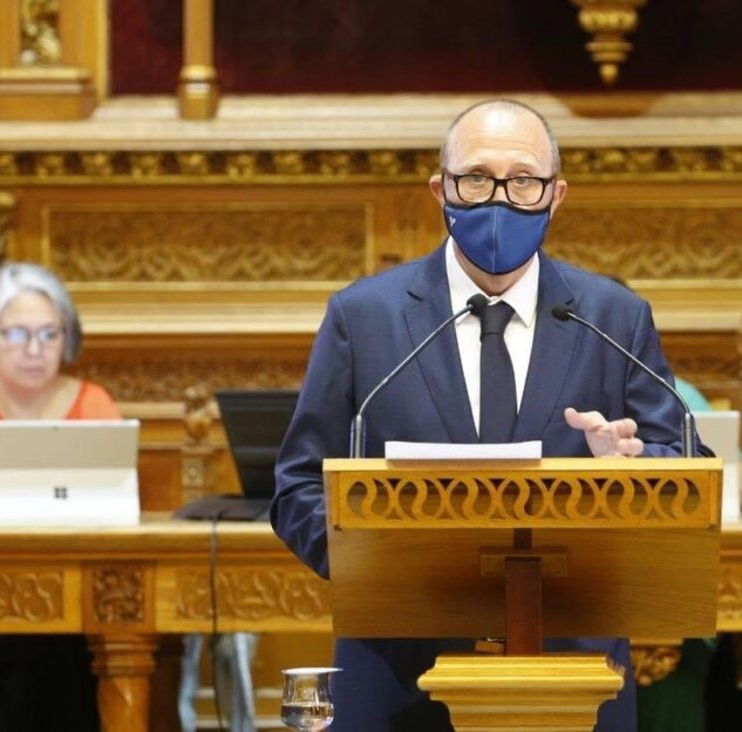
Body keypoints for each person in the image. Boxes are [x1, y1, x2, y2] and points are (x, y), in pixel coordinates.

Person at [271, 98, 697, 731]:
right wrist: (372, 569)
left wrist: (635, 466)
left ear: (556, 196)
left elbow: (686, 469)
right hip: (397, 673)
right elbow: (298, 485)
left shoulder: (613, 317)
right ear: (440, 189)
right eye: (476, 178)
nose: (500, 198)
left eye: (523, 180)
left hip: (575, 673)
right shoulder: (364, 318)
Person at [0, 261, 120, 731]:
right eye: (17, 334)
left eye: (49, 334)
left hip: (78, 598)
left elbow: (115, 505)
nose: (34, 350)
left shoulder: (95, 405)